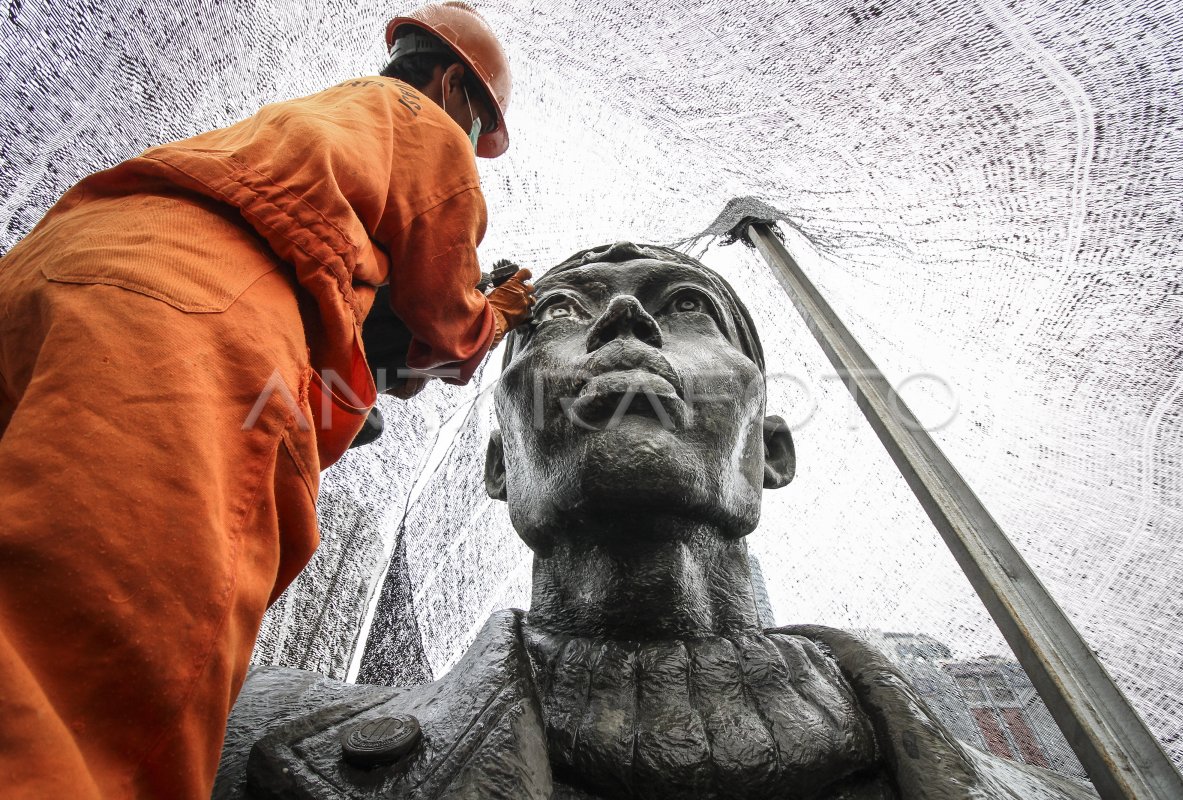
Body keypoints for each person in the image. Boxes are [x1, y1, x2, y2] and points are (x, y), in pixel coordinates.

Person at [211, 243, 1097, 800]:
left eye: (687, 306)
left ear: (770, 454)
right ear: (500, 465)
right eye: (558, 313)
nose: (625, 318)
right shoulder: (235, 737)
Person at [0, 3, 534, 797]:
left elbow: (316, 369)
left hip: (55, 274)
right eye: (477, 129)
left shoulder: (308, 134)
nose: (472, 153)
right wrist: (492, 316)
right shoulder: (419, 122)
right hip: (185, 313)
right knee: (94, 667)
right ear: (455, 85)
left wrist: (379, 371)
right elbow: (447, 312)